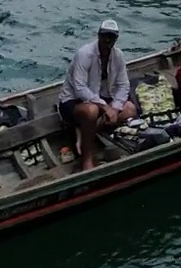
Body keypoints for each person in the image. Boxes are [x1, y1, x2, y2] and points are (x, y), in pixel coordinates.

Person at [58, 19, 136, 171]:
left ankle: (86, 131)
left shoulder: (118, 56)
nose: (108, 40)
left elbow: (123, 85)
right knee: (91, 110)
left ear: (116, 39)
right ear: (98, 35)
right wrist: (105, 107)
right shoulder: (84, 54)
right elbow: (80, 88)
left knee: (130, 109)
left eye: (111, 37)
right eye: (105, 36)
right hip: (73, 101)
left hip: (101, 99)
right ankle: (87, 159)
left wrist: (115, 107)